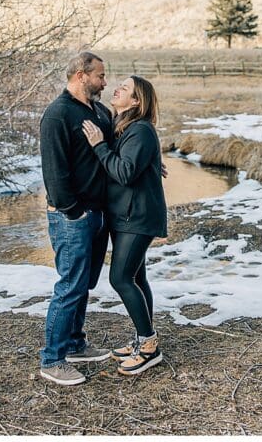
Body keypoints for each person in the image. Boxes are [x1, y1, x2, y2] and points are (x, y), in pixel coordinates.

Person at [37, 51, 116, 386]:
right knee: (69, 285)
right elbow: (54, 174)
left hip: (99, 214)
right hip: (73, 218)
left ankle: (74, 344)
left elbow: (111, 153)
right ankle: (52, 359)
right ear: (81, 75)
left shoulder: (99, 111)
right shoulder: (57, 115)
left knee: (84, 284)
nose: (105, 80)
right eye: (100, 75)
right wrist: (74, 212)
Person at [81, 75, 167, 376]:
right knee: (137, 277)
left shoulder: (140, 130)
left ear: (136, 102)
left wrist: (99, 146)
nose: (116, 88)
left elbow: (124, 172)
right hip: (126, 215)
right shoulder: (125, 128)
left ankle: (148, 346)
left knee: (120, 278)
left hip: (137, 217)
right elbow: (133, 163)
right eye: (117, 84)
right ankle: (144, 339)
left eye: (125, 88)